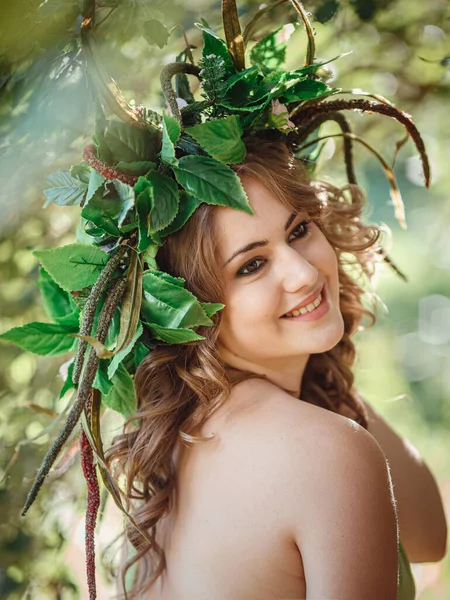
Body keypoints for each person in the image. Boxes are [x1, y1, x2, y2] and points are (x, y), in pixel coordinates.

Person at [107, 140, 447, 599]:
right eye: (252, 265)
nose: (304, 273)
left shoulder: (178, 438)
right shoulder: (325, 449)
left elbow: (429, 536)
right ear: (187, 310)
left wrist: (322, 379)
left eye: (299, 229)